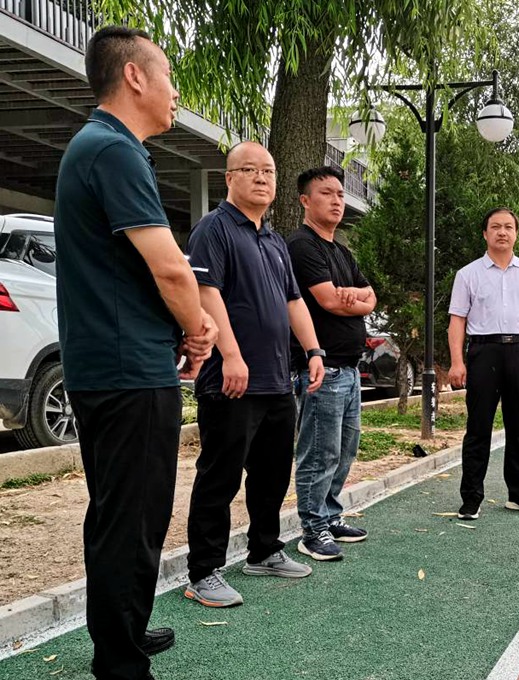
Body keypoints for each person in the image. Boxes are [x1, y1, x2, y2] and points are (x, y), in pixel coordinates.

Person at [55, 26, 217, 680]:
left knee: (121, 513)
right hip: (128, 370)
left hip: (112, 364)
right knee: (133, 518)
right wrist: (200, 329)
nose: (176, 92)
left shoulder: (99, 147)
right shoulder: (113, 150)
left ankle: (123, 631)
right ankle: (119, 661)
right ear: (134, 76)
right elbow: (170, 268)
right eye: (169, 75)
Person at [183, 142, 326, 606]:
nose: (262, 178)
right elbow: (205, 292)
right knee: (219, 477)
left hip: (276, 379)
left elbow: (293, 301)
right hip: (231, 379)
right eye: (250, 169)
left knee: (272, 473)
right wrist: (231, 354)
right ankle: (203, 571)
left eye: (269, 171)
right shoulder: (214, 228)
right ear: (229, 178)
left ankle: (264, 551)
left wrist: (313, 350)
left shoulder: (274, 241)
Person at [288, 166, 376, 561]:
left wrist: (353, 297)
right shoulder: (302, 246)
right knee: (319, 452)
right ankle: (312, 529)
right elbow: (327, 300)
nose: (337, 200)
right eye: (326, 193)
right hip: (321, 369)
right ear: (305, 200)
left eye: (340, 193)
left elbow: (371, 297)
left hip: (349, 369)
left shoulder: (341, 250)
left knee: (344, 450)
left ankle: (330, 514)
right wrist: (352, 298)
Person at [448, 207, 519, 520]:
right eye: (495, 227)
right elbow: (457, 321)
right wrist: (457, 362)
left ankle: (518, 493)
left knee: (518, 426)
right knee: (478, 427)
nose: (502, 232)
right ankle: (471, 497)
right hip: (483, 352)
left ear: (516, 234)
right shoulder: (468, 274)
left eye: (508, 227)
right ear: (485, 234)